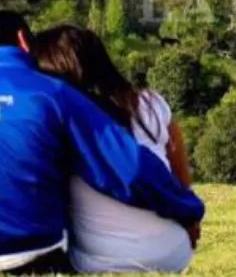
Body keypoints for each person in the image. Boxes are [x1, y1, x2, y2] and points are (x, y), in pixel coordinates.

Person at [0, 10, 204, 277]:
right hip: (39, 255)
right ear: (24, 41)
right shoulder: (55, 92)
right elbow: (130, 168)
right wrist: (188, 209)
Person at [32, 25, 197, 273]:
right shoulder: (151, 103)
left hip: (100, 262)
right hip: (173, 251)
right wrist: (191, 219)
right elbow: (181, 178)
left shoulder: (58, 123)